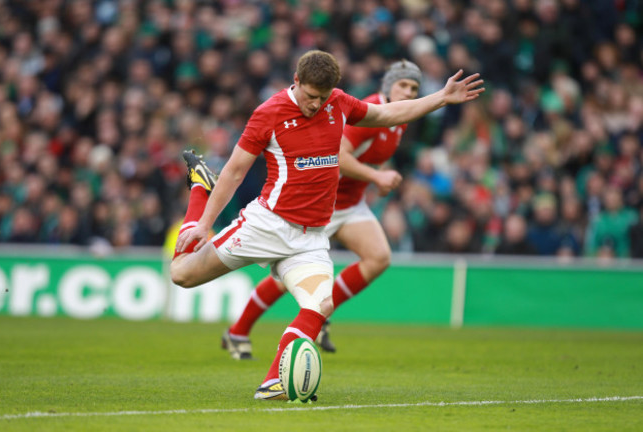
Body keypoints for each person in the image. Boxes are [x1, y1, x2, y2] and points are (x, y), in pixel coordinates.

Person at [170, 50, 484, 401]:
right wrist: (206, 223)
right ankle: (200, 187)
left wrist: (441, 97)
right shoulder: (269, 113)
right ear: (296, 80)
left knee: (320, 305)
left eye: (322, 98)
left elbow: (383, 113)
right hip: (266, 226)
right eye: (309, 96)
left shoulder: (338, 102)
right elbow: (235, 170)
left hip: (311, 237)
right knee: (181, 275)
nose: (315, 105)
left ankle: (274, 381)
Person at [222, 60, 425, 360]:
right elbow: (339, 156)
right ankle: (238, 331)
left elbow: (368, 157)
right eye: (403, 86)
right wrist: (376, 177)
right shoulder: (369, 109)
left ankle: (322, 316)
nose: (408, 92)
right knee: (287, 280)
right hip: (320, 206)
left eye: (414, 88)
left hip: (350, 204)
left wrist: (377, 175)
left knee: (379, 257)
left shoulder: (399, 121)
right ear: (387, 85)